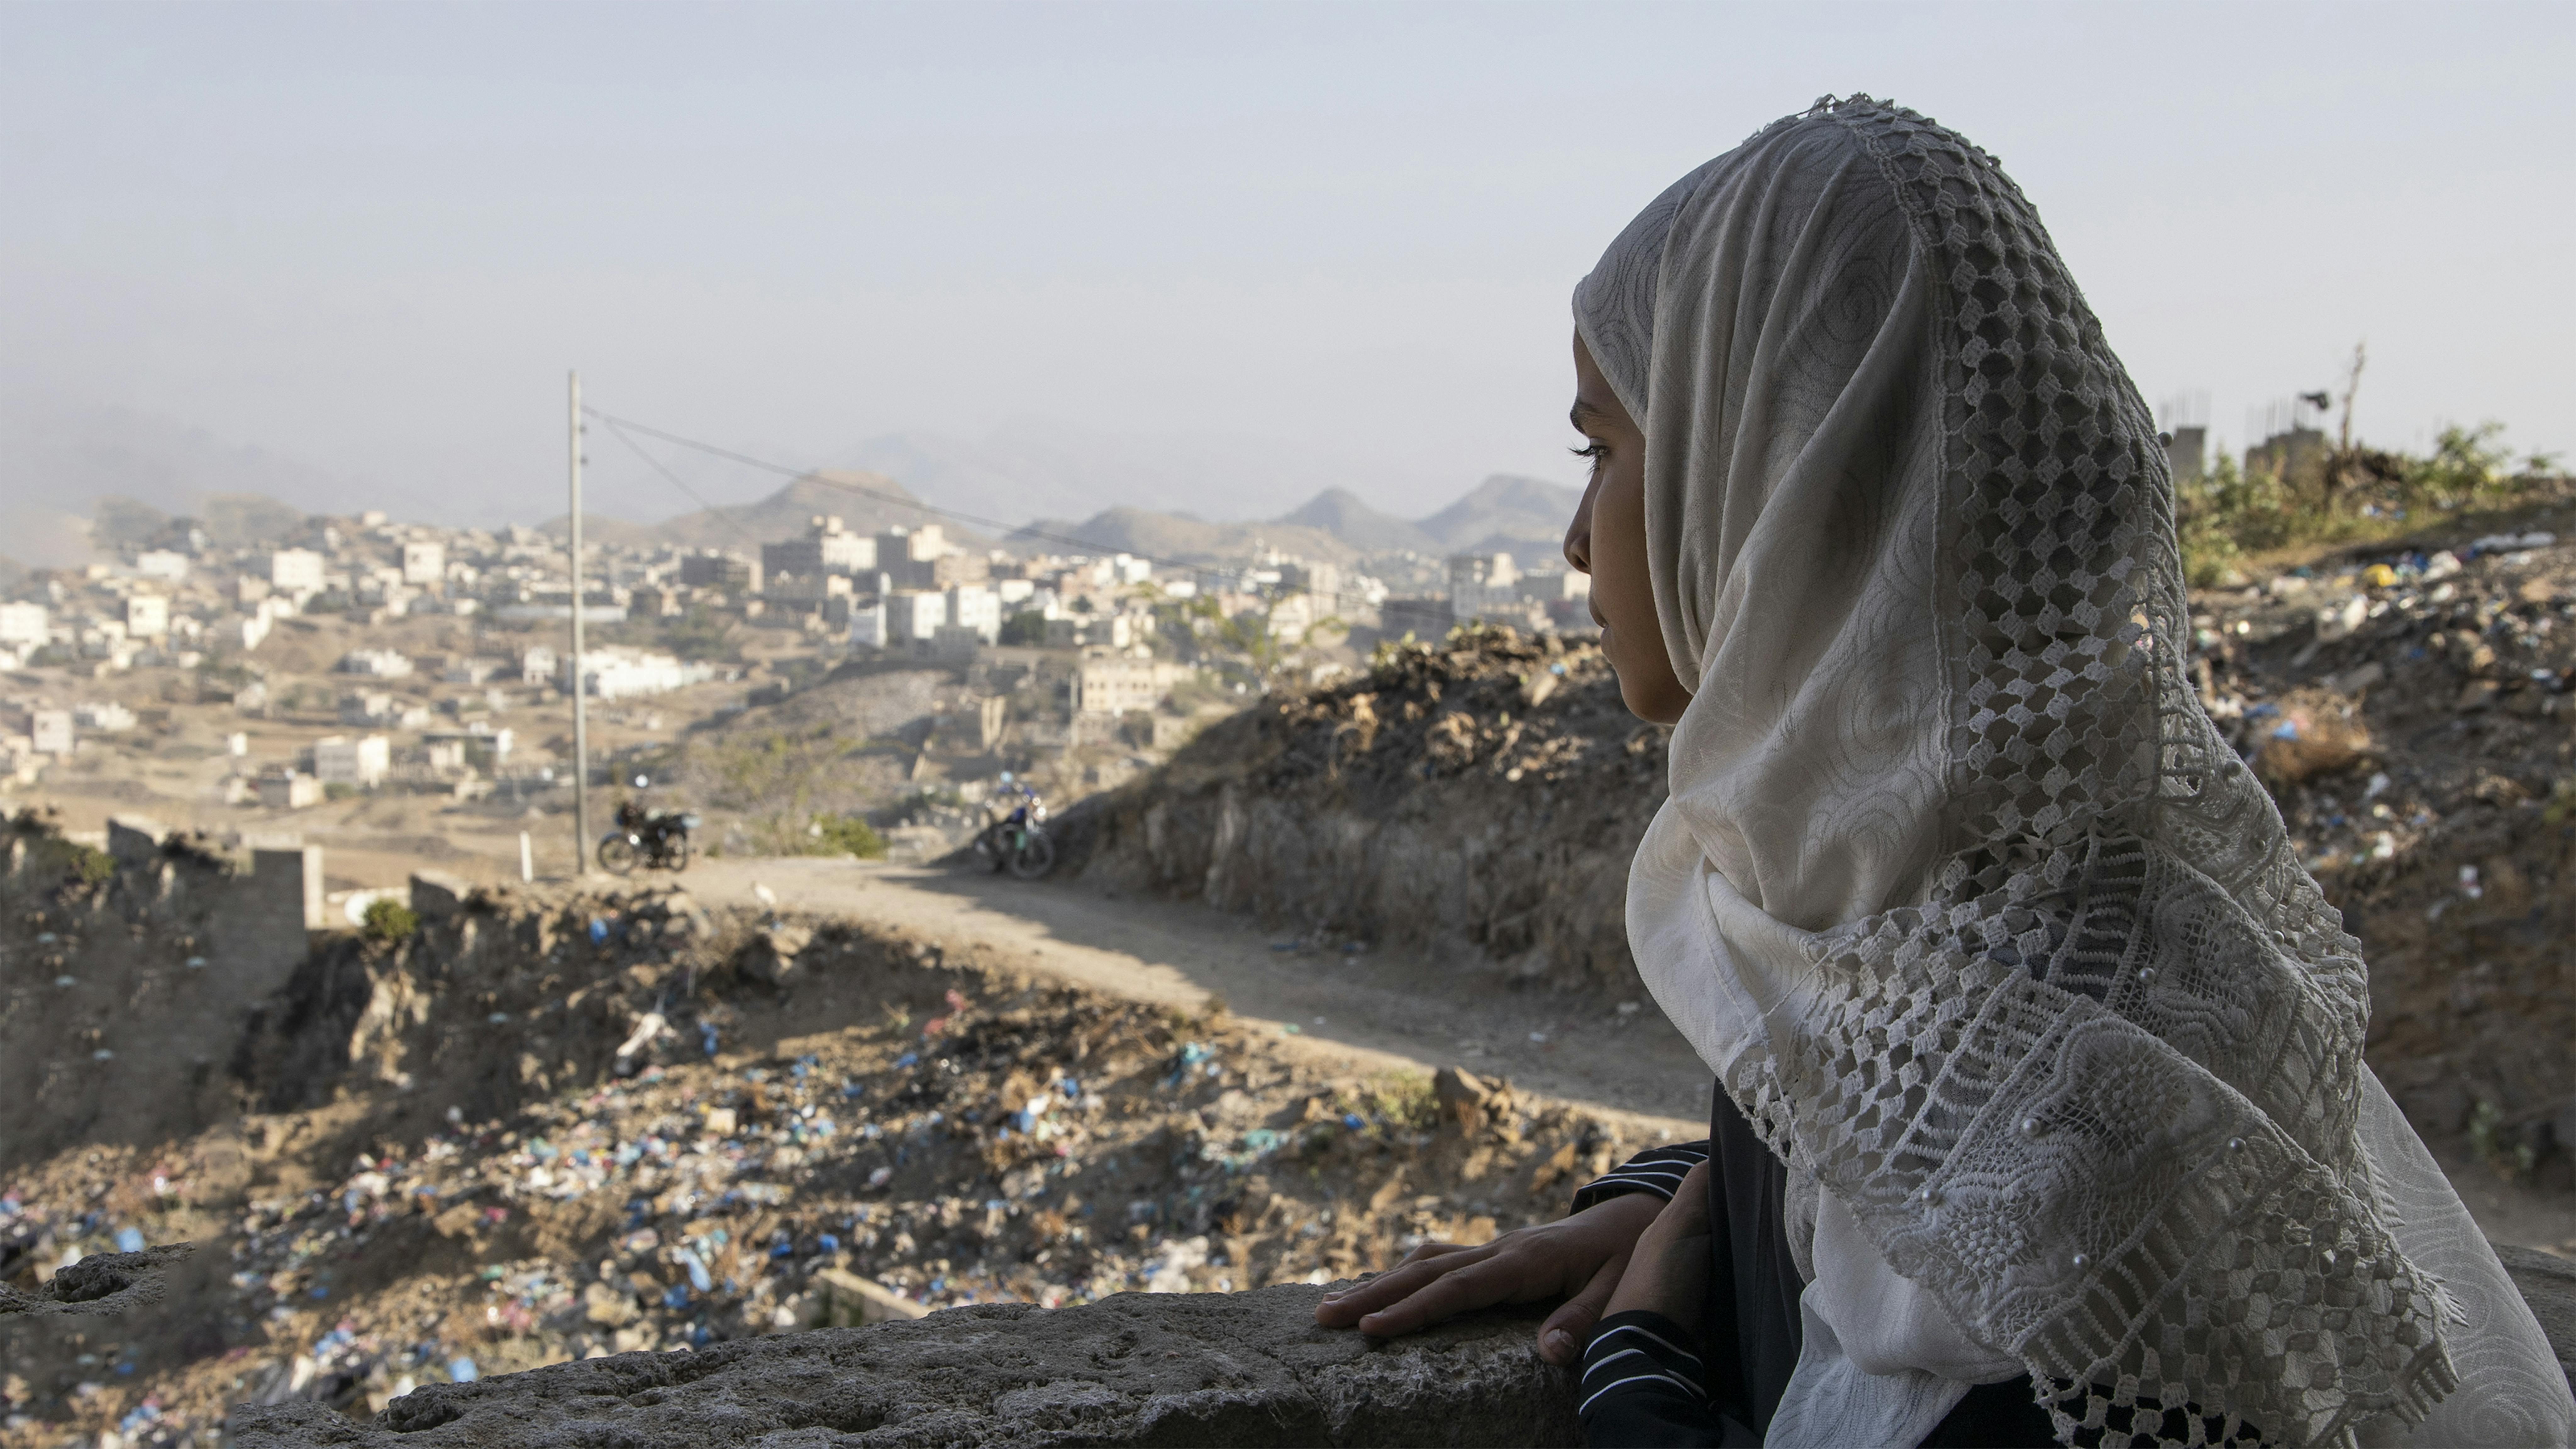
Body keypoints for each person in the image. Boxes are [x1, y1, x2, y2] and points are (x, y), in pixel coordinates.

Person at [1316, 96, 2573, 1448]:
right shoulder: (1937, 923)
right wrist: (1668, 1198)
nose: (1573, 539)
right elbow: (1870, 1133)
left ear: (1784, 483)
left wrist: (1632, 1355)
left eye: (1602, 449)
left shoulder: (2071, 1155)